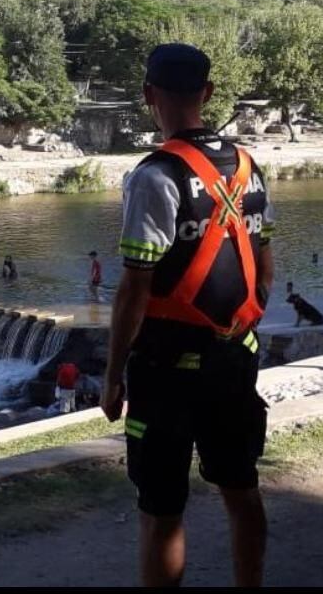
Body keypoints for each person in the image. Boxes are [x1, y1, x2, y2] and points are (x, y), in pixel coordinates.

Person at [101, 43, 274, 587]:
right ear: (210, 93)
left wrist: (111, 375)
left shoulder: (154, 176)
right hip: (233, 362)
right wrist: (241, 330)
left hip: (166, 370)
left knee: (161, 511)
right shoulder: (249, 167)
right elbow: (264, 266)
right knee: (241, 490)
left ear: (149, 94)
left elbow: (134, 287)